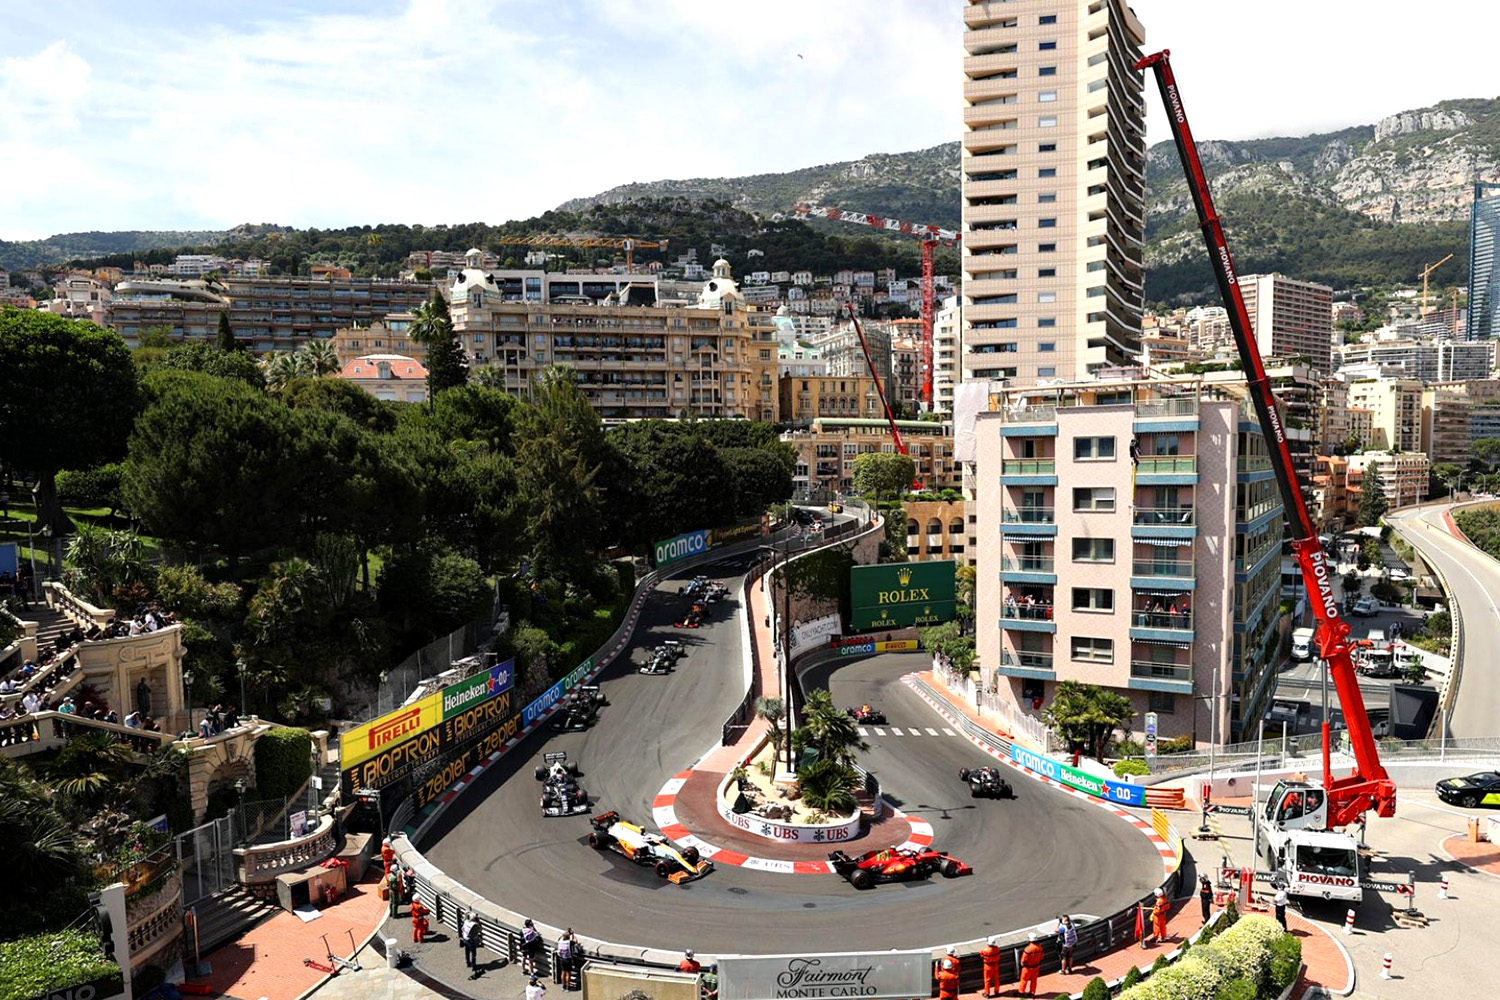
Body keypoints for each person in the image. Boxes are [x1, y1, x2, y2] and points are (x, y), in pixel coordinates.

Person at [1018, 932, 1044, 998]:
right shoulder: (1040, 948)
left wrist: (1022, 964)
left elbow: (1023, 960)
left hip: (1027, 968)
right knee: (1034, 980)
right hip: (1036, 967)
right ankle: (1032, 993)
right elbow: (1041, 957)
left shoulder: (1028, 949)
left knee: (1024, 980)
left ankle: (1021, 992)